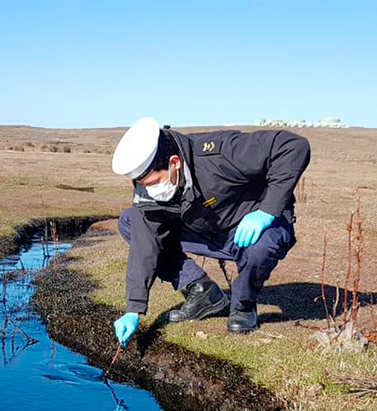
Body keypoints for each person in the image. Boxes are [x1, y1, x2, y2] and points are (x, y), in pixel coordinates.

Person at [110, 117, 311, 344]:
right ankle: (203, 292)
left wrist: (267, 211)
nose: (150, 190)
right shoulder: (146, 192)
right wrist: (133, 309)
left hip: (251, 225)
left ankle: (243, 305)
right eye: (144, 184)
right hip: (204, 229)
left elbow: (293, 146)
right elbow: (144, 246)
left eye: (154, 182)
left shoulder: (221, 154)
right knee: (130, 221)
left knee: (263, 245)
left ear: (174, 163)